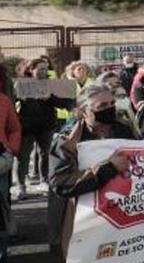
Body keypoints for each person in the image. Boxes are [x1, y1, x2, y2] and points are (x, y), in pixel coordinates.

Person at [48, 83, 136, 259]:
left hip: (121, 217)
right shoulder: (67, 140)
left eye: (112, 103)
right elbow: (61, 183)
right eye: (102, 106)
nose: (110, 109)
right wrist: (108, 169)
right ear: (82, 111)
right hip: (84, 223)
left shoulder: (123, 129)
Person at [15, 59, 73, 199]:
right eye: (40, 69)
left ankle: (44, 181)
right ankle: (20, 186)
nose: (44, 72)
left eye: (45, 69)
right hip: (27, 127)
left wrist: (50, 98)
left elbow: (67, 103)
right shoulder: (21, 84)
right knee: (23, 156)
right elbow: (12, 102)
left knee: (44, 154)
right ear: (31, 69)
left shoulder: (52, 84)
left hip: (46, 125)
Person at [0, 81, 21, 261]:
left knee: (2, 205)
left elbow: (14, 128)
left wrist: (11, 148)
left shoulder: (4, 100)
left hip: (0, 161)